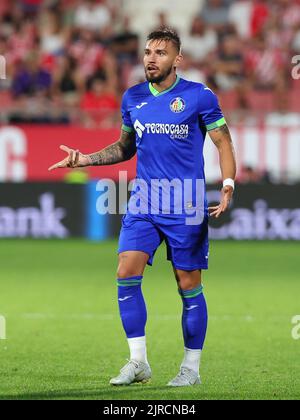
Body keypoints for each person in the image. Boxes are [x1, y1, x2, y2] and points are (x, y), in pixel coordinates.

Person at [48, 28, 236, 387]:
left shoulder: (199, 96)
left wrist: (227, 184)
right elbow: (124, 147)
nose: (151, 58)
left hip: (186, 203)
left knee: (188, 284)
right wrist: (85, 159)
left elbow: (223, 142)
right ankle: (138, 362)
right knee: (125, 271)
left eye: (161, 53)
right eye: (148, 51)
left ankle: (190, 369)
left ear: (177, 59)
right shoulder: (133, 97)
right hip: (144, 202)